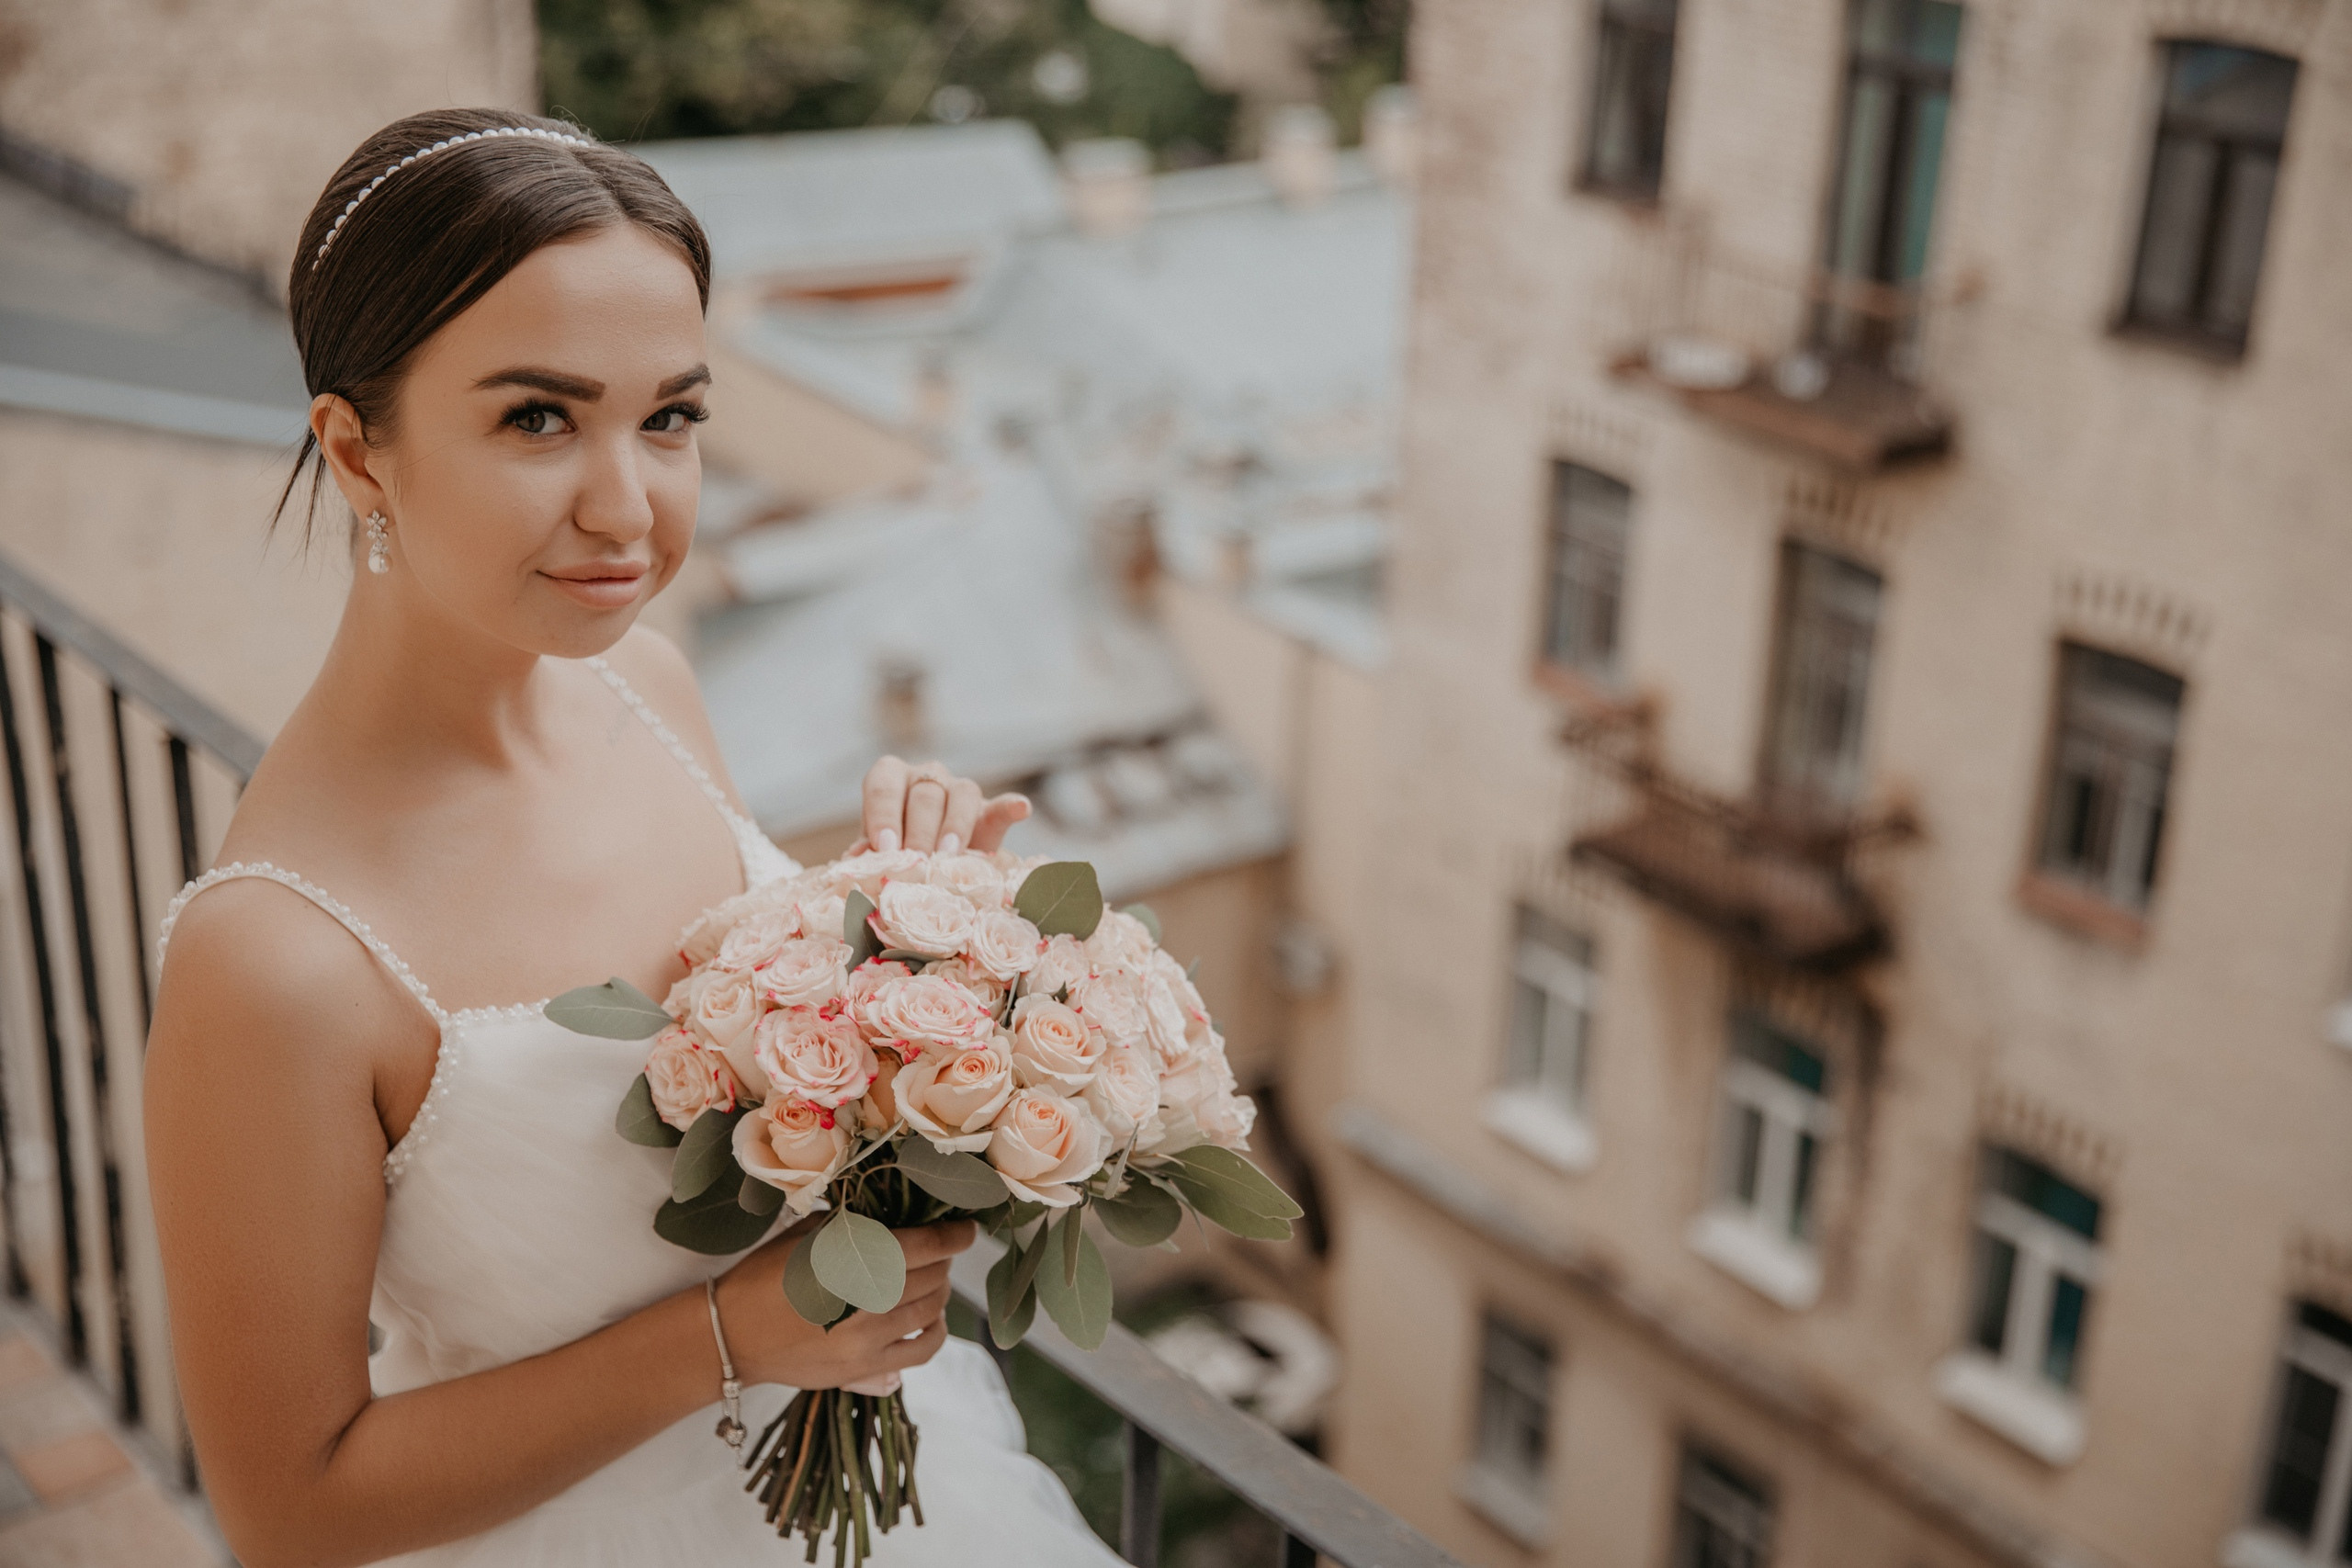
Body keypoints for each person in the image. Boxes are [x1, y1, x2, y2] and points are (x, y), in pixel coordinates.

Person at [142, 108, 1125, 1568]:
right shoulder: (275, 962)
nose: (628, 509)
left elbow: (739, 1107)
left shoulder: (647, 684)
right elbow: (291, 1508)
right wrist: (736, 1337)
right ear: (356, 451)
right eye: (537, 417)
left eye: (669, 417)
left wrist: (901, 928)